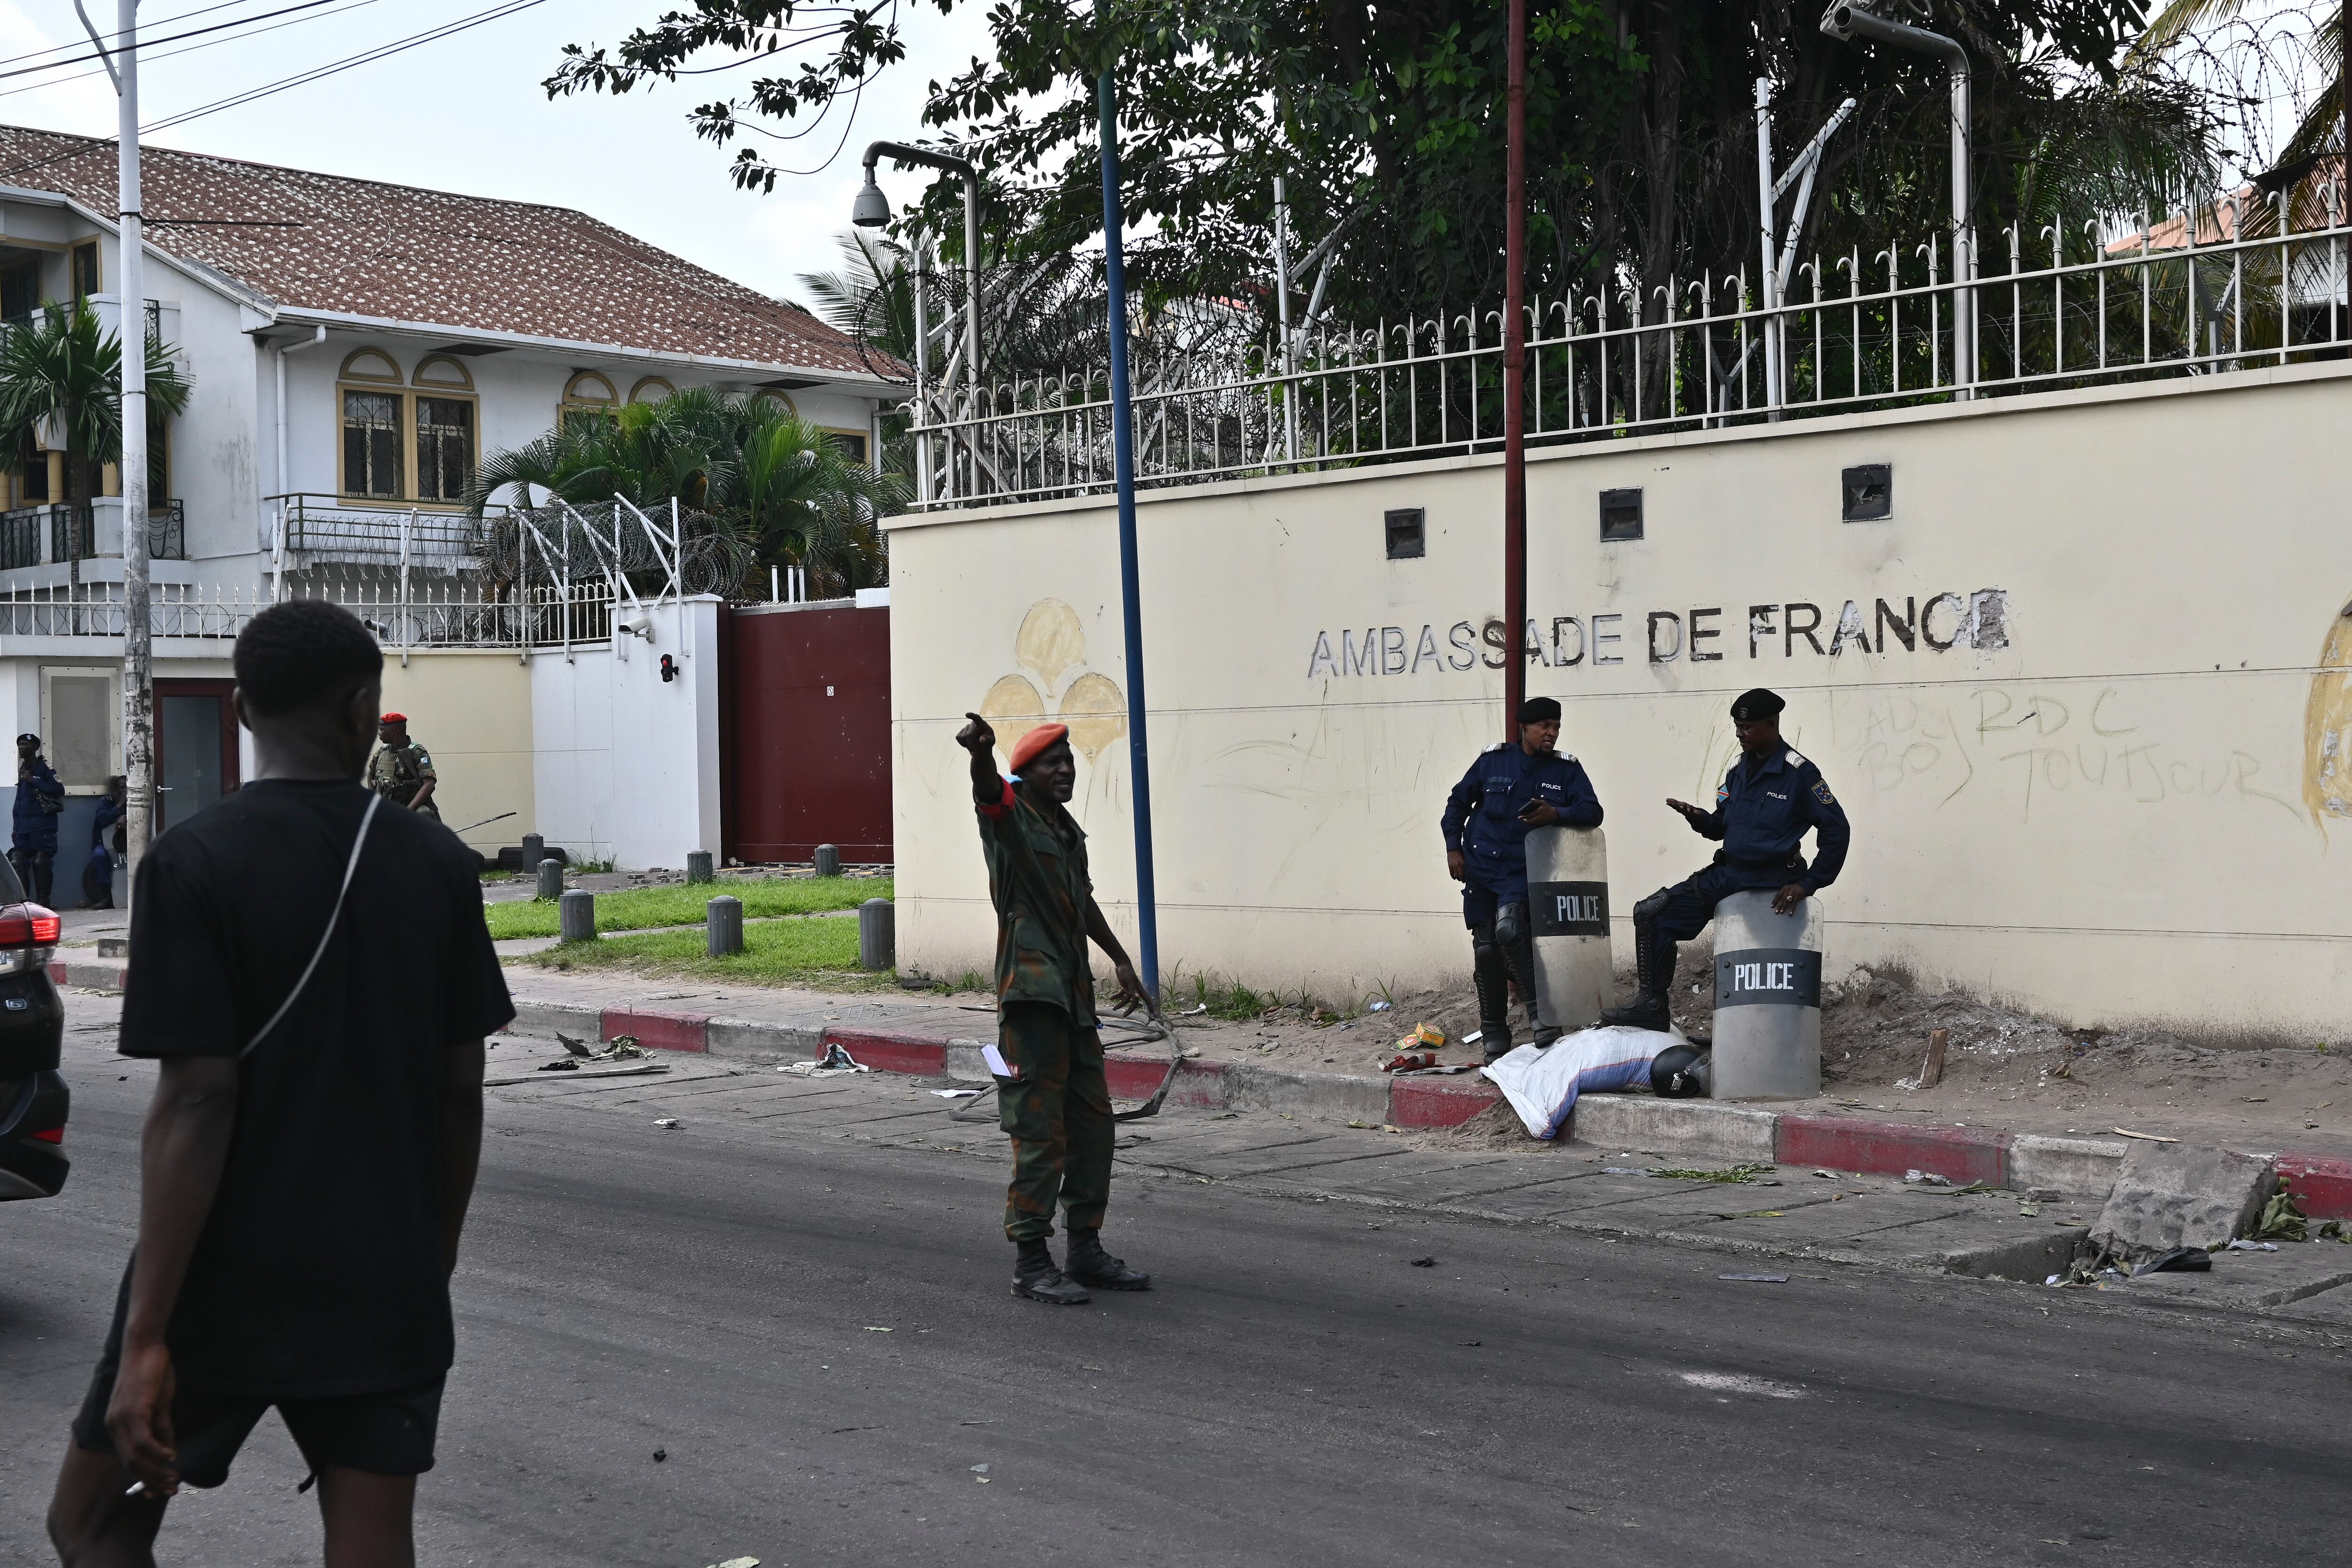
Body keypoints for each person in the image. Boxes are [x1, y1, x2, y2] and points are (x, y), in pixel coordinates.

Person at [46, 599, 513, 1568]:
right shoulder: (435, 863)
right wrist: (434, 1253)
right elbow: (457, 1087)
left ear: (244, 711)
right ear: (362, 709)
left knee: (92, 1519)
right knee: (373, 1549)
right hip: (386, 1273)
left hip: (222, 1280)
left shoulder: (194, 864)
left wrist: (146, 1336)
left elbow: (196, 1101)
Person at [953, 711, 1153, 1306]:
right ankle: (1031, 1262)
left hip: (1072, 1000)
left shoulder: (1065, 830)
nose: (1065, 769)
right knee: (1040, 1132)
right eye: (1052, 763)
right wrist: (980, 754)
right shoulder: (1010, 820)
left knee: (1093, 1126)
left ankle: (1085, 1249)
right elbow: (987, 793)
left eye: (1068, 761)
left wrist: (1119, 959)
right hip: (1031, 999)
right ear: (1026, 774)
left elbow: (1082, 901)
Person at [1599, 687, 1851, 1033]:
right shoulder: (1737, 770)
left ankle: (1781, 1037)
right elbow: (1721, 826)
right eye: (1737, 726)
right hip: (1730, 873)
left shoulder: (1800, 773)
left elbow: (1838, 830)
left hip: (1773, 880)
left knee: (1769, 972)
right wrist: (1700, 819)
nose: (1739, 733)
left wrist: (1807, 884)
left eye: (1747, 727)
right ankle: (1652, 1005)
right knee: (1652, 912)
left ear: (1771, 724)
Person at [1440, 697, 1604, 1061]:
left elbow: (1593, 811)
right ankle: (1494, 1029)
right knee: (1486, 950)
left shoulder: (1567, 770)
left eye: (1557, 726)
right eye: (1545, 726)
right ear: (1524, 728)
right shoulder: (1493, 761)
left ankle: (1542, 1017)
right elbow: (1457, 804)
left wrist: (1556, 814)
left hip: (1525, 869)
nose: (1552, 733)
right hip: (1482, 866)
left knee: (1511, 932)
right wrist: (1454, 848)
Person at [13, 731, 64, 906]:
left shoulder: (44, 768)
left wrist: (33, 781)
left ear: (35, 747)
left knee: (41, 862)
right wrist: (15, 827)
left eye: (25, 745)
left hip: (43, 827)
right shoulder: (23, 769)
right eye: (19, 744)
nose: (21, 748)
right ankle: (22, 903)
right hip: (23, 828)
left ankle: (44, 903)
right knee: (18, 862)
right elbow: (20, 800)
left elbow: (59, 790)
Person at [366, 713, 439, 820]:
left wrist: (407, 811)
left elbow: (429, 784)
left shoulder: (416, 752)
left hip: (409, 809)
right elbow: (370, 773)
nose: (379, 733)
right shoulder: (381, 752)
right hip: (386, 809)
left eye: (382, 730)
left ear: (392, 731)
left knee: (424, 813)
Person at [82, 774, 125, 910]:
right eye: (121, 788)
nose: (125, 791)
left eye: (127, 788)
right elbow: (102, 820)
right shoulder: (106, 802)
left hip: (126, 845)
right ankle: (105, 897)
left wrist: (126, 816)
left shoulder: (135, 802)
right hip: (105, 844)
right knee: (99, 856)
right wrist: (119, 806)